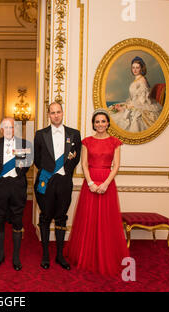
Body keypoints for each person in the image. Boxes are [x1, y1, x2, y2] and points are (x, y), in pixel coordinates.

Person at [65, 109, 129, 276]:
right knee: (89, 220)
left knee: (107, 221)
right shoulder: (86, 141)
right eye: (97, 121)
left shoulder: (115, 142)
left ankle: (106, 256)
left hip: (107, 184)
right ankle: (88, 255)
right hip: (91, 183)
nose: (100, 124)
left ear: (108, 123)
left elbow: (116, 166)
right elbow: (84, 165)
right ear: (93, 124)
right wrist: (91, 182)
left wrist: (106, 183)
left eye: (103, 121)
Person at [34, 102, 81, 270]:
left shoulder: (74, 134)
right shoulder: (40, 134)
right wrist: (49, 171)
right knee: (45, 217)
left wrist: (64, 172)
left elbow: (76, 159)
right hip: (46, 181)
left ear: (63, 113)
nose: (56, 115)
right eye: (52, 112)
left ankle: (60, 255)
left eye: (58, 112)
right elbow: (37, 159)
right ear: (48, 115)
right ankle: (46, 255)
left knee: (61, 218)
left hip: (64, 181)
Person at [0, 118, 33, 271]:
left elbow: (26, 166)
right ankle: (0, 255)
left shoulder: (26, 144)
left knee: (18, 221)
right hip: (1, 187)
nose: (8, 130)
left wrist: (17, 176)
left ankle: (16, 257)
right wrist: (0, 181)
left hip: (18, 186)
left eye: (11, 127)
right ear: (1, 129)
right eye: (5, 127)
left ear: (15, 129)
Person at [109, 56, 163, 132]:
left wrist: (126, 107)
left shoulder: (142, 80)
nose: (134, 70)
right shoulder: (137, 78)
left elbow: (141, 102)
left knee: (126, 119)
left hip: (140, 106)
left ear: (141, 68)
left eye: (137, 67)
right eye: (133, 67)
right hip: (133, 103)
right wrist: (125, 105)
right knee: (113, 110)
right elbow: (134, 98)